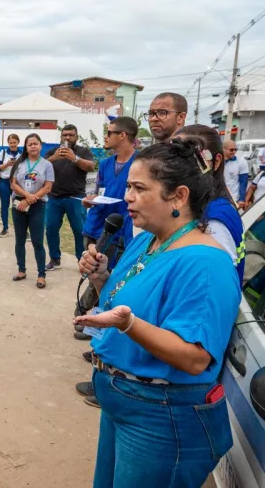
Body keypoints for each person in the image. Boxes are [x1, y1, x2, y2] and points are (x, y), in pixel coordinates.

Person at [74, 137, 239, 487]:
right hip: (124, 403)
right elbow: (121, 304)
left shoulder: (204, 262)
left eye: (138, 188)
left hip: (162, 417)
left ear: (178, 196)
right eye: (128, 186)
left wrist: (130, 325)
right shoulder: (147, 241)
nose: (127, 197)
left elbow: (195, 358)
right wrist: (102, 277)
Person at [74, 117, 138, 405]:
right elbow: (96, 191)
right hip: (103, 229)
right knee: (99, 283)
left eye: (110, 133)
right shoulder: (103, 164)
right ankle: (98, 344)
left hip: (127, 234)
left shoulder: (141, 164)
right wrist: (90, 202)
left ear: (124, 135)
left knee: (115, 294)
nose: (106, 138)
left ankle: (105, 356)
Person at [176, 125, 245, 284]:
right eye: (174, 158)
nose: (178, 167)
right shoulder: (201, 206)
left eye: (191, 159)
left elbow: (210, 285)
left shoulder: (214, 220)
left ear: (216, 161)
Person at [44, 125, 94, 270]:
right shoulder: (53, 152)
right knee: (51, 228)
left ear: (76, 136)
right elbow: (40, 166)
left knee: (80, 231)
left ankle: (82, 260)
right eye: (65, 135)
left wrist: (75, 158)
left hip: (76, 198)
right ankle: (55, 259)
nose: (67, 137)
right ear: (61, 136)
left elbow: (91, 167)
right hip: (54, 198)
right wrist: (54, 158)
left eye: (71, 135)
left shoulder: (83, 151)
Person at [10, 134, 55, 289]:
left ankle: (41, 274)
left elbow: (48, 187)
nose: (33, 146)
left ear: (41, 146)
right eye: (30, 144)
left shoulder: (47, 165)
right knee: (19, 240)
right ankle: (21, 270)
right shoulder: (20, 163)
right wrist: (26, 196)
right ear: (26, 147)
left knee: (37, 242)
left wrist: (30, 198)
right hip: (19, 205)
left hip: (37, 206)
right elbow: (13, 184)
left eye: (36, 144)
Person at [0, 134, 21, 237]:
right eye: (11, 142)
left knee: (18, 206)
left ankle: (22, 229)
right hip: (4, 182)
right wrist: (7, 164)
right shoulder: (3, 152)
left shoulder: (22, 153)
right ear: (8, 143)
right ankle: (5, 228)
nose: (13, 144)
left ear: (18, 142)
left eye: (14, 142)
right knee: (4, 206)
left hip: (18, 183)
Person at [223, 140, 248, 208]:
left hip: (233, 200)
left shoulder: (241, 161)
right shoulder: (217, 160)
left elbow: (243, 182)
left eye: (235, 149)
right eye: (231, 150)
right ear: (223, 149)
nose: (234, 152)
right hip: (217, 198)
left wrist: (241, 199)